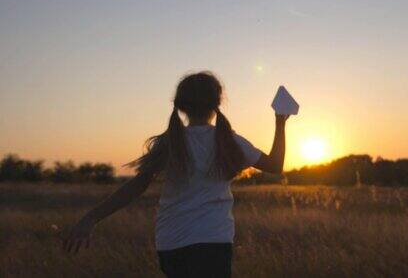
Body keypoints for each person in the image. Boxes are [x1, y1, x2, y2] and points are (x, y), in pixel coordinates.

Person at [63, 71, 289, 277]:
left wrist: (91, 218)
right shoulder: (230, 141)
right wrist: (280, 121)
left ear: (180, 105)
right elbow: (275, 164)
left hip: (171, 244)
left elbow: (136, 186)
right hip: (214, 242)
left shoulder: (169, 142)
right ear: (217, 102)